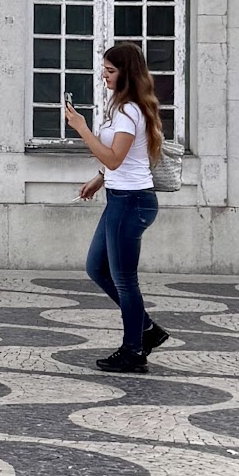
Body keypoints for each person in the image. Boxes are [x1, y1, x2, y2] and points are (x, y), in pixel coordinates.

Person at [65, 43, 169, 373]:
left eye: (110, 71)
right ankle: (147, 329)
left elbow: (114, 157)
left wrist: (81, 128)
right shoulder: (120, 106)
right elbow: (118, 160)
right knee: (97, 268)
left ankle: (134, 351)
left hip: (132, 202)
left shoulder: (129, 112)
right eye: (104, 69)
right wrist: (99, 179)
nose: (103, 76)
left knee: (125, 281)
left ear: (126, 74)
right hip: (119, 198)